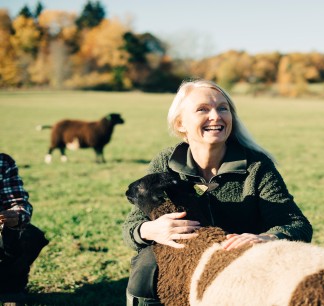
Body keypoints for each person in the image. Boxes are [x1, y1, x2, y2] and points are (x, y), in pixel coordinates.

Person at [122, 80, 313, 305]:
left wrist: (266, 238)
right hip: (182, 264)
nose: (216, 116)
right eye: (203, 109)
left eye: (223, 108)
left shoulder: (256, 165)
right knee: (146, 264)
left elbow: (296, 224)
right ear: (180, 123)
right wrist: (150, 229)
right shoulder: (166, 162)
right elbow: (130, 227)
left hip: (241, 266)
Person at [0, 153, 49, 304]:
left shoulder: (3, 163)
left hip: (2, 234)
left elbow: (19, 202)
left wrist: (16, 216)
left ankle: (9, 288)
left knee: (30, 237)